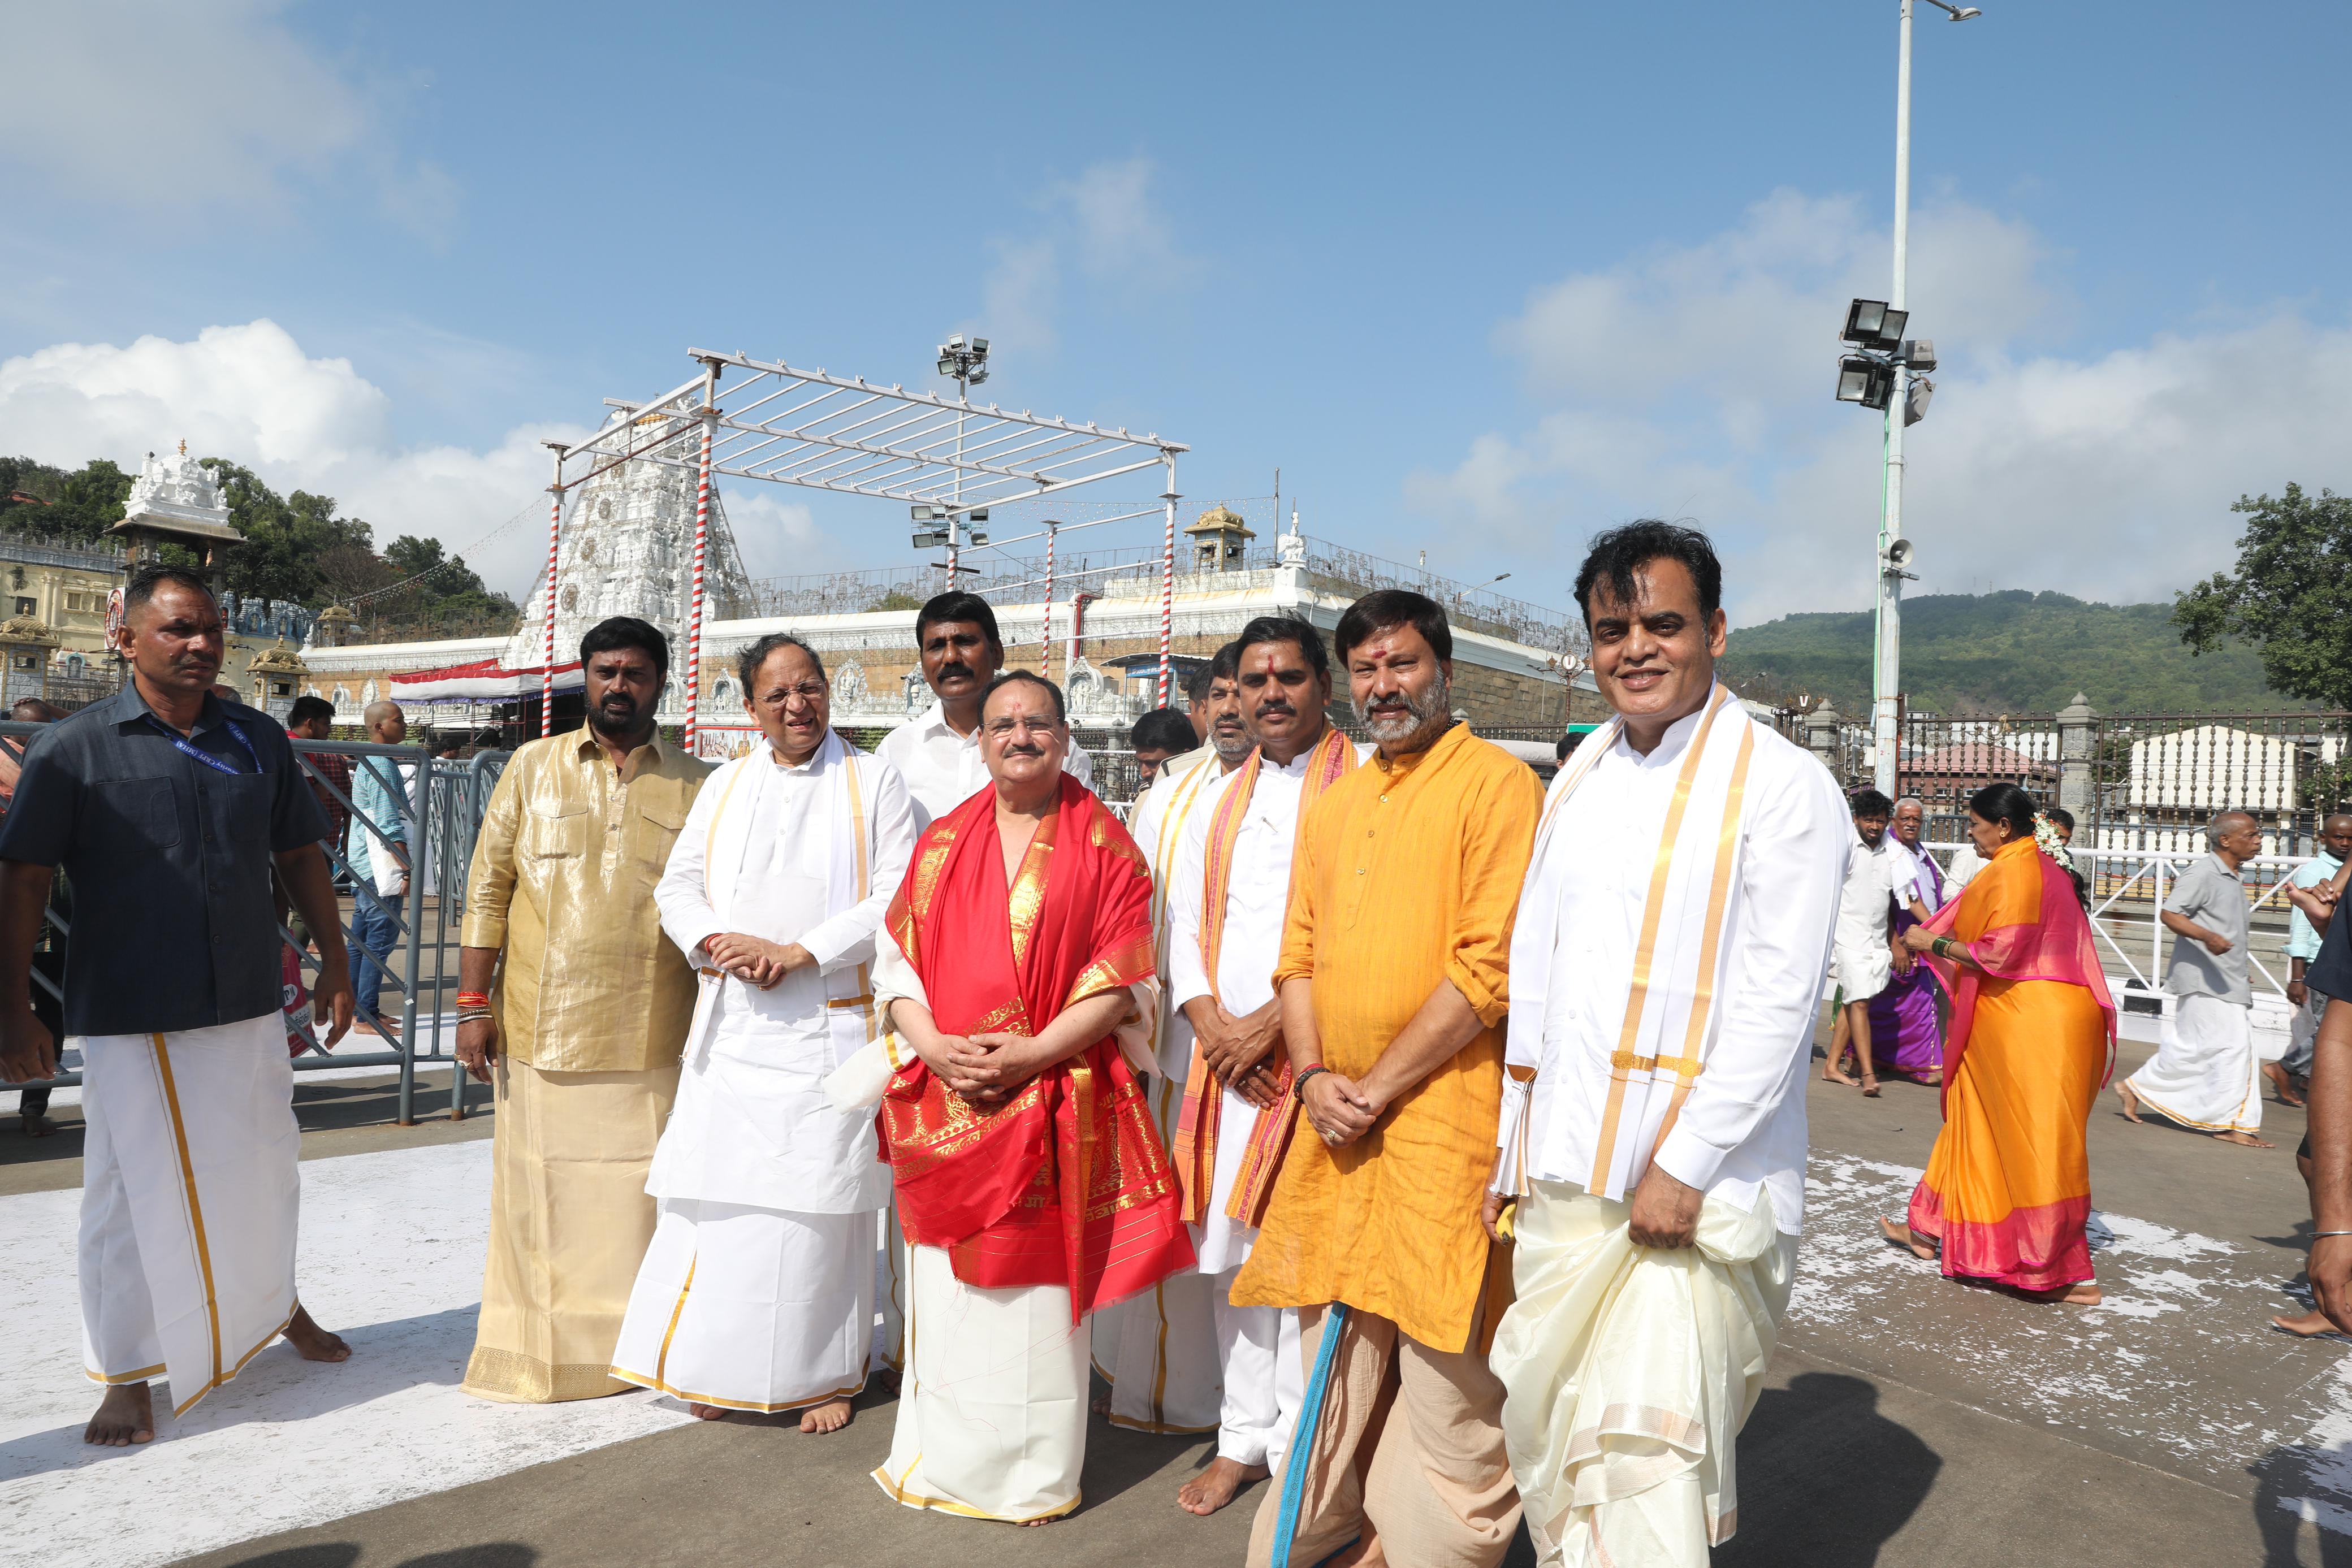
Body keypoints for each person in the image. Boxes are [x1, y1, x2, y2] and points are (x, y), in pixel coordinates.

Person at [1486, 522, 1845, 1566]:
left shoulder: (1781, 784)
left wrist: (1682, 1166)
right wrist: (1516, 1144)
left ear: (1717, 631)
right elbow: (1543, 975)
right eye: (1612, 629)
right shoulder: (1584, 769)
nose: (1635, 647)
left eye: (1662, 623)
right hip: (1569, 1171)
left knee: (1647, 1457)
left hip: (1697, 1191)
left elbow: (1783, 1001)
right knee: (1559, 1436)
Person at [0, 566, 356, 1446]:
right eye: (177, 630)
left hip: (243, 997)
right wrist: (13, 1006)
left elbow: (301, 854)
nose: (199, 645)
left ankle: (276, 1307)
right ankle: (125, 1367)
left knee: (267, 1164)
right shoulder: (74, 748)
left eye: (211, 630)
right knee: (129, 1192)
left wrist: (336, 959)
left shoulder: (259, 739)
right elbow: (25, 876)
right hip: (132, 1005)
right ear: (124, 639)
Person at [1231, 588, 1537, 1568]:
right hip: (1336, 1119)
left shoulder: (1498, 785)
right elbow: (1298, 955)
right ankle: (1322, 1520)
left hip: (1445, 1114)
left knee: (1445, 1349)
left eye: (1401, 663)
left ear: (1443, 666)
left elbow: (1488, 965)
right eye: (1366, 669)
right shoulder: (1342, 799)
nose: (1384, 684)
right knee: (1337, 1334)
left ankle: (1425, 1545)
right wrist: (1317, 1073)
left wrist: (1380, 1084)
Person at [860, 670, 1194, 1524]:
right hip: (951, 1096)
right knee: (950, 1299)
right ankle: (939, 1458)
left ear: (1066, 734)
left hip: (1053, 1096)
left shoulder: (1107, 844)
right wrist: (936, 1047)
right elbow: (897, 970)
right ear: (981, 740)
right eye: (1003, 723)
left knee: (1037, 1306)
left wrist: (1031, 1055)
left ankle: (1031, 1478)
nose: (1019, 736)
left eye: (1037, 723)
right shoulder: (941, 844)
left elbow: (1126, 979)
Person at [613, 634, 918, 1430]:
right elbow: (678, 885)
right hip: (736, 1024)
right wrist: (717, 943)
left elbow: (897, 893)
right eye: (778, 694)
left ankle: (824, 1376)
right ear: (749, 708)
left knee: (819, 1209)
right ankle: (722, 1367)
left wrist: (800, 951)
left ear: (829, 691)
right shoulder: (726, 784)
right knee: (726, 1206)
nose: (797, 705)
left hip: (826, 1029)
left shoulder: (874, 777)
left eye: (810, 687)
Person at [456, 616, 714, 1402]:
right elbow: (486, 889)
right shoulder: (531, 768)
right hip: (540, 1020)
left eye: (636, 672)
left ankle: (641, 1349)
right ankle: (542, 1356)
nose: (619, 686)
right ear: (585, 677)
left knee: (642, 1197)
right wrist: (473, 1001)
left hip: (655, 1028)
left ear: (662, 682)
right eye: (605, 671)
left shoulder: (702, 783)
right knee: (544, 1195)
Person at [1164, 615, 1365, 1516]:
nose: (1271, 693)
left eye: (1289, 676)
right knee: (1230, 1259)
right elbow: (1183, 922)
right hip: (1224, 1067)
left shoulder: (1362, 783)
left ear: (1325, 687)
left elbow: (1359, 932)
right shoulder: (1217, 794)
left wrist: (1273, 1030)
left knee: (1303, 1263)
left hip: (1313, 1056)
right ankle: (1241, 1437)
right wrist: (1212, 1024)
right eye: (1254, 679)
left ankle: (1302, 1443)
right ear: (1232, 693)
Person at [1880, 782, 2118, 1305]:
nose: (1970, 833)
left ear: (2004, 827)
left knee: (2033, 1143)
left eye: (1975, 824)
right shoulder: (2038, 864)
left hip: (2032, 1024)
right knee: (1974, 1117)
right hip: (2031, 1018)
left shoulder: (2017, 870)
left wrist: (1930, 941)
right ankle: (1931, 1229)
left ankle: (2062, 1272)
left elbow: (2003, 952)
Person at [1095, 640, 1247, 1440]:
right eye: (1216, 692)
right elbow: (1137, 908)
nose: (1229, 707)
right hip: (1173, 1048)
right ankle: (1169, 1389)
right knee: (1173, 1222)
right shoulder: (1173, 790)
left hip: (1266, 1050)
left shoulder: (1325, 785)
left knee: (1242, 1234)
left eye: (1244, 689)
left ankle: (1253, 1409)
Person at [2117, 809, 2269, 1147]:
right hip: (2204, 978)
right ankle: (2235, 1124)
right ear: (2226, 840)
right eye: (2252, 835)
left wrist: (2241, 967)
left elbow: (2229, 930)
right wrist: (2207, 937)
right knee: (2234, 1048)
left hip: (2226, 978)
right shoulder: (2203, 873)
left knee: (2197, 1047)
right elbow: (2170, 912)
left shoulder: (2232, 876)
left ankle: (2137, 1087)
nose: (2259, 840)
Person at [876, 591, 1091, 828]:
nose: (950, 657)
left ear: (996, 654)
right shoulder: (895, 750)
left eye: (965, 642)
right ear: (923, 663)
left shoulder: (1050, 748)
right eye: (937, 646)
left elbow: (1083, 838)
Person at [0, 696, 64, 1136]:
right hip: (44, 902)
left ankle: (33, 1105)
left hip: (45, 905)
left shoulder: (53, 769)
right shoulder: (55, 766)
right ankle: (33, 1107)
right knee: (49, 1002)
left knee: (49, 1001)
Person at [1823, 788, 1907, 1095]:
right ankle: (1869, 1073)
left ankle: (1832, 1066)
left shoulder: (1894, 854)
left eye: (1881, 821)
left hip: (1876, 942)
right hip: (1846, 937)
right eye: (1869, 820)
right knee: (1858, 1001)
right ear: (1856, 819)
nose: (1875, 826)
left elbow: (1896, 901)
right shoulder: (1843, 849)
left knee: (1858, 1000)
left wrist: (1896, 940)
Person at [1865, 796, 1948, 1085]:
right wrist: (1896, 941)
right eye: (1905, 819)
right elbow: (1892, 900)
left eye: (1917, 820)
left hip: (1918, 941)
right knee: (1904, 1005)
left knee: (1904, 1005)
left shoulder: (1918, 852)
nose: (1911, 824)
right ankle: (1925, 1066)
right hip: (1899, 940)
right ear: (1894, 822)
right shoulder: (1892, 853)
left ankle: (1880, 1059)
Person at [344, 700, 411, 1039]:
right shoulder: (382, 764)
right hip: (378, 863)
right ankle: (365, 1013)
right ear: (380, 727)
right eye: (399, 720)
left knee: (362, 941)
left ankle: (362, 1009)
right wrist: (407, 867)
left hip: (363, 859)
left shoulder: (371, 760)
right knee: (378, 941)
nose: (405, 724)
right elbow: (388, 823)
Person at [2277, 815, 2352, 1108]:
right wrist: (2298, 977)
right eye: (2338, 837)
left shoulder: (2340, 871)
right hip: (2319, 960)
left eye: (2350, 838)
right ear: (2322, 838)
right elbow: (2300, 926)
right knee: (2329, 1032)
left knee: (2326, 1031)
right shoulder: (2314, 873)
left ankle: (2300, 1073)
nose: (2345, 843)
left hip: (2336, 949)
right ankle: (2286, 1068)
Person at [1130, 705, 1197, 783]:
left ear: (1185, 757)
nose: (1144, 774)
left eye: (1153, 764)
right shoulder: (1146, 793)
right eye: (1140, 763)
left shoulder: (1207, 792)